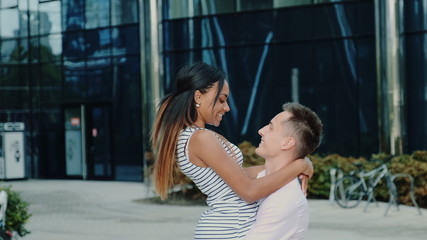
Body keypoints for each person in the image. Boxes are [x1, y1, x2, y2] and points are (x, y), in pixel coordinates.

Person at [151, 62, 313, 239]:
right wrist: (298, 166)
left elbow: (240, 175)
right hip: (229, 231)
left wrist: (295, 163)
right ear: (198, 97)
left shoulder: (196, 136)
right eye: (221, 100)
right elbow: (249, 192)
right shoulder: (201, 139)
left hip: (228, 229)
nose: (226, 107)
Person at [245, 102, 323, 240]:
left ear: (287, 143)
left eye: (270, 127)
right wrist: (300, 164)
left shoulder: (284, 200)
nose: (261, 131)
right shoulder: (261, 178)